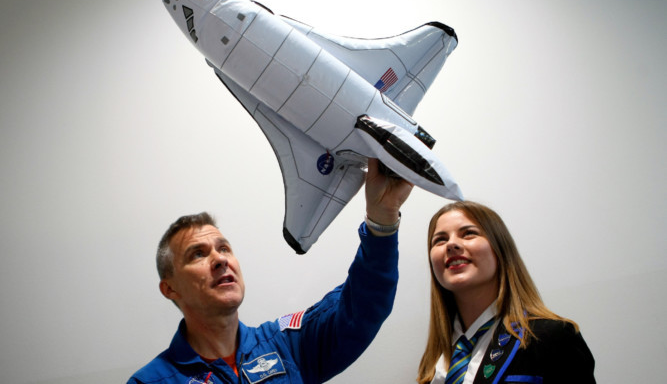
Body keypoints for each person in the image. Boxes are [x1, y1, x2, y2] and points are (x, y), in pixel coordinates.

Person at [128, 158, 413, 384]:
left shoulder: (287, 344)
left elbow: (360, 307)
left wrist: (382, 218)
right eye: (198, 254)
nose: (220, 259)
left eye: (224, 248)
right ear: (170, 288)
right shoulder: (151, 381)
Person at [417, 201, 595, 384]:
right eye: (440, 239)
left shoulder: (553, 338)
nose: (451, 244)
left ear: (500, 248)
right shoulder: (434, 359)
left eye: (469, 233)